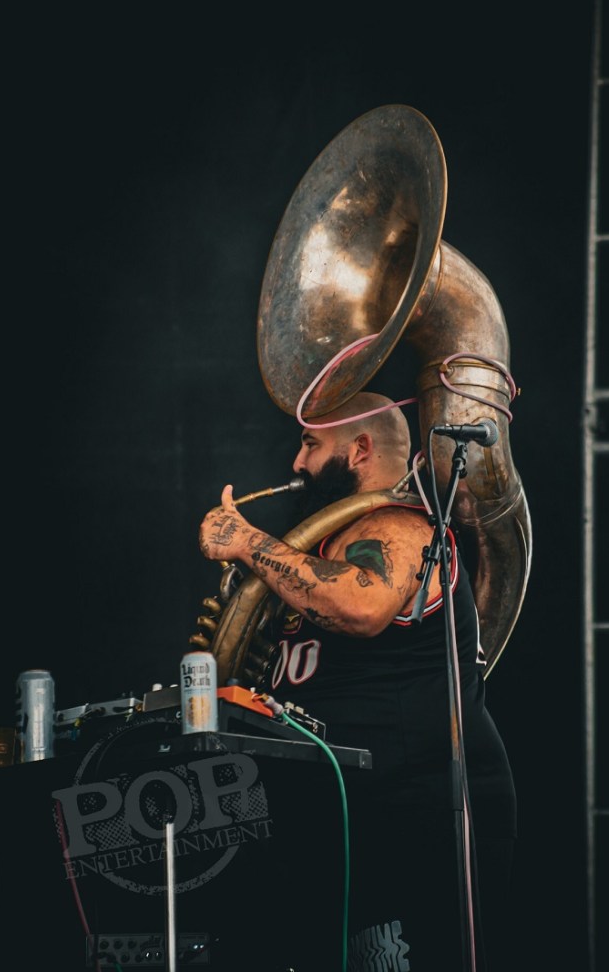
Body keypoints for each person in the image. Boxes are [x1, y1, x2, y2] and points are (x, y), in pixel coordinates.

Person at [199, 391, 517, 972]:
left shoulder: (404, 528)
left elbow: (361, 605)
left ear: (361, 449)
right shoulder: (330, 546)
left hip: (414, 812)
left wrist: (248, 542)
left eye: (310, 444)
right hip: (346, 809)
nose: (297, 462)